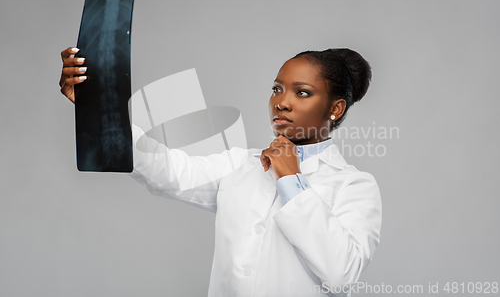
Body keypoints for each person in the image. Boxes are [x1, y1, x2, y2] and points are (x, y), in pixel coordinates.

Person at [59, 47, 382, 297]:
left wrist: (290, 180)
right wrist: (98, 108)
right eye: (276, 89)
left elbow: (341, 273)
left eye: (301, 92)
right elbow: (169, 170)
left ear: (335, 108)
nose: (281, 103)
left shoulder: (353, 185)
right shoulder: (240, 165)